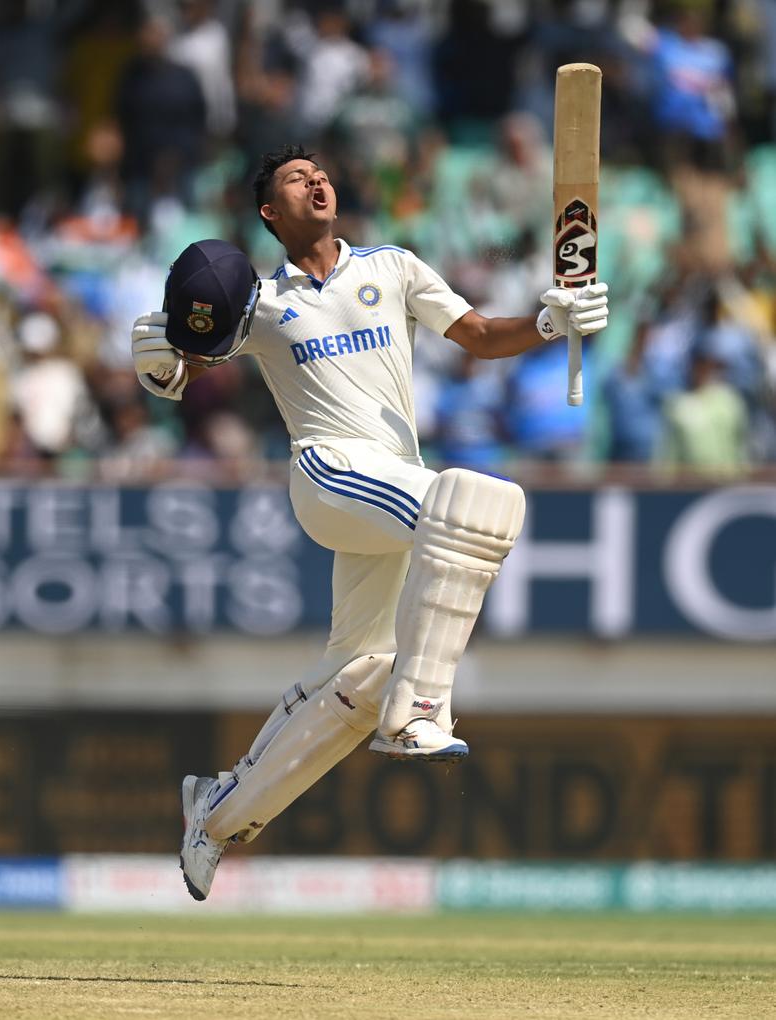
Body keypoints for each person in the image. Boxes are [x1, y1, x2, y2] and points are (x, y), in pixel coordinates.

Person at [130, 143, 609, 901]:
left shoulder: (393, 267)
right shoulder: (256, 299)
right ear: (270, 212)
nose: (317, 179)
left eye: (320, 171)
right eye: (296, 178)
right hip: (327, 472)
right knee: (475, 501)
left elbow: (481, 338)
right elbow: (189, 358)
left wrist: (551, 322)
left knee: (357, 677)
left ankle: (216, 815)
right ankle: (420, 712)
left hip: (389, 481)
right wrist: (160, 360)